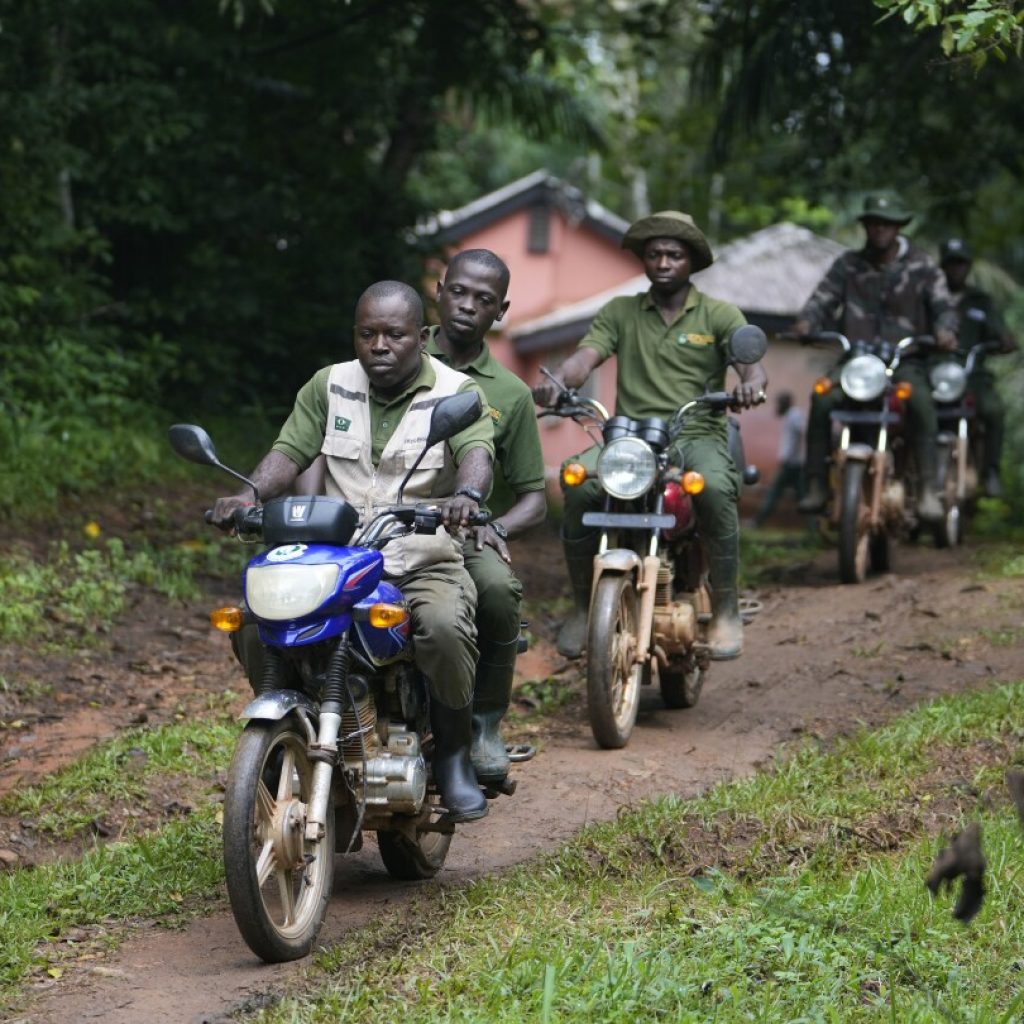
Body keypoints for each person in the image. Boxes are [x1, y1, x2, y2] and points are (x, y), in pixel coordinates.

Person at [212, 281, 495, 823]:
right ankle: (284, 737)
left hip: (419, 558)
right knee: (256, 620)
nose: (380, 345)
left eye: (395, 334)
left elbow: (476, 453)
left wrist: (466, 495)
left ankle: (455, 755)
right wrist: (247, 493)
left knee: (441, 627)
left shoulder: (457, 393)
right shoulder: (328, 385)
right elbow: (289, 450)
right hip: (337, 560)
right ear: (355, 336)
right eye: (368, 334)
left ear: (421, 337)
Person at [532, 211, 768, 662]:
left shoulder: (719, 314)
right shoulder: (621, 311)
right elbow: (585, 357)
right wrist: (560, 381)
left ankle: (724, 610)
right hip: (630, 437)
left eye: (674, 255)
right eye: (654, 253)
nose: (663, 262)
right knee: (577, 481)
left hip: (696, 431)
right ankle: (584, 609)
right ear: (644, 260)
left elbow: (750, 366)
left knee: (716, 487)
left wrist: (751, 384)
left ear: (691, 262)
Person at [427, 248, 546, 783]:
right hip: (378, 515)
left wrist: (493, 526)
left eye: (484, 300)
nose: (469, 306)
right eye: (459, 292)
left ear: (501, 311)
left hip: (463, 530)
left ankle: (484, 725)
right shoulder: (393, 351)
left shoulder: (511, 394)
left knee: (498, 590)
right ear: (439, 290)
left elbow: (534, 497)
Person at [793, 192, 958, 521]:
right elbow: (822, 298)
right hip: (856, 363)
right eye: (873, 224)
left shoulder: (923, 266)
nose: (879, 230)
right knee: (822, 398)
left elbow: (944, 307)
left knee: (922, 402)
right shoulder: (848, 265)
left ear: (898, 228)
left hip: (904, 361)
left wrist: (945, 330)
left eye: (886, 224)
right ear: (865, 227)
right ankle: (815, 484)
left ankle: (927, 489)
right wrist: (807, 322)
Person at [939, 237, 1017, 497]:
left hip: (973, 374)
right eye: (951, 264)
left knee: (993, 410)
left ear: (968, 266)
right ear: (943, 266)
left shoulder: (980, 301)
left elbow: (1000, 331)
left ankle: (990, 470)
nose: (955, 269)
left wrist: (1005, 340)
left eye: (960, 263)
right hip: (936, 372)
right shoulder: (932, 296)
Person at [752, 391, 805, 527]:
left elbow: (799, 435)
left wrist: (787, 458)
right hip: (793, 463)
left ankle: (757, 522)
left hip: (792, 464)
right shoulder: (791, 416)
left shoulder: (794, 416)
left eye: (779, 404)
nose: (777, 407)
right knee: (801, 496)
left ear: (785, 404)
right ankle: (813, 527)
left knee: (774, 493)